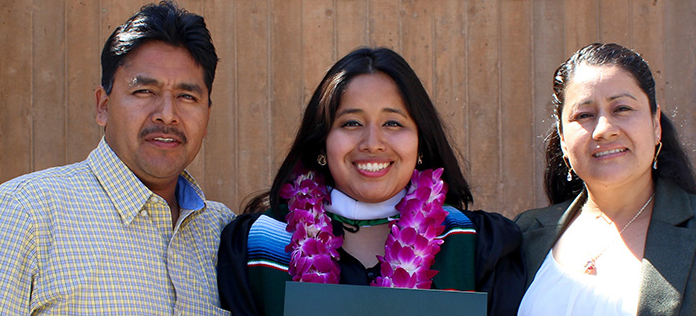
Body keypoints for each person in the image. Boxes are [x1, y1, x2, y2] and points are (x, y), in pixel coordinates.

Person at [0, 0, 235, 315]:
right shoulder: (24, 214)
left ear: (207, 115)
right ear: (103, 106)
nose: (167, 115)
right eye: (145, 92)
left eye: (186, 96)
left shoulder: (222, 233)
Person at [218, 47, 525, 316]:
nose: (372, 143)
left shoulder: (474, 244)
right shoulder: (258, 246)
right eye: (351, 123)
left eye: (393, 123)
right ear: (322, 143)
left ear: (420, 143)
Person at [515, 43, 696, 315]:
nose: (604, 130)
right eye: (584, 115)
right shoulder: (525, 233)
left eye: (621, 109)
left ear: (656, 124)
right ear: (563, 140)